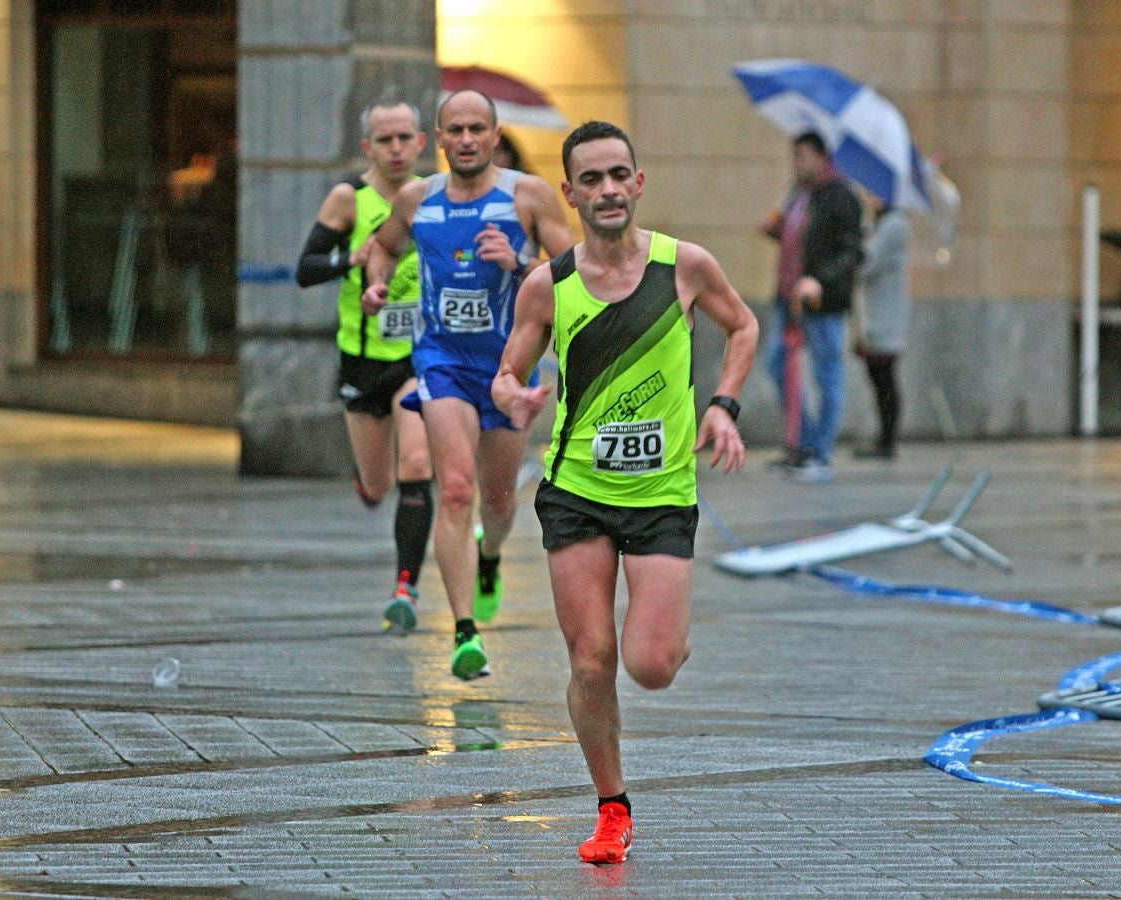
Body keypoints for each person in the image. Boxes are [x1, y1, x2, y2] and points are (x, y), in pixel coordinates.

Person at [492, 121, 758, 864]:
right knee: (590, 660)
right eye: (591, 179)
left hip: (661, 492)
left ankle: (668, 633)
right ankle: (612, 807)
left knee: (651, 666)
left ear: (638, 183)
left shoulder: (685, 265)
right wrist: (514, 395)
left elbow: (743, 327)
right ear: (570, 193)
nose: (607, 190)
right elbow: (509, 373)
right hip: (575, 489)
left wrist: (722, 405)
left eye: (618, 176)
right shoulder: (550, 285)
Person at [362, 90, 574, 680]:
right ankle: (464, 633)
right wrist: (377, 285)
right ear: (439, 138)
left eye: (477, 128)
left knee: (498, 502)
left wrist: (519, 261)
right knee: (455, 489)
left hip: (508, 366)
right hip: (441, 362)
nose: (466, 140)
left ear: (495, 134)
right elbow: (382, 248)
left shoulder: (526, 196)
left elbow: (578, 270)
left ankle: (489, 554)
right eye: (455, 130)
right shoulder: (416, 199)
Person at [294, 98, 435, 632]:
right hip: (362, 358)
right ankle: (367, 478)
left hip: (419, 357)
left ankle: (405, 588)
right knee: (378, 487)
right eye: (385, 140)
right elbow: (305, 269)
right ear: (367, 147)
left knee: (416, 466)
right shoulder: (348, 198)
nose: (396, 149)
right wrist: (348, 259)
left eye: (405, 138)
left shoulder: (435, 196)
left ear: (421, 142)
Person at [760, 131, 861, 481]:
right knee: (778, 366)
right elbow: (800, 238)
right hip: (789, 298)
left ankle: (820, 451)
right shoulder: (800, 194)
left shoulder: (841, 196)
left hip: (822, 301)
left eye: (802, 155)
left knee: (826, 374)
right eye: (794, 155)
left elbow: (852, 252)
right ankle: (801, 443)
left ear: (822, 157)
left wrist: (820, 279)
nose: (797, 163)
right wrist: (776, 231)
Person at [853, 197, 909, 459]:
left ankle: (887, 440)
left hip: (885, 314)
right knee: (878, 377)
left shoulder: (894, 225)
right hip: (876, 313)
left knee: (884, 378)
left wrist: (858, 242)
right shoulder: (882, 224)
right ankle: (884, 437)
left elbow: (867, 263)